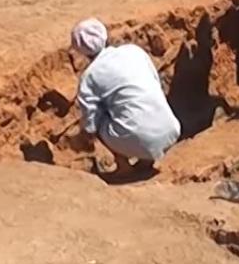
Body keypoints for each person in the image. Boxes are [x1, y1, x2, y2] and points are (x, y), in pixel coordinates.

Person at [70, 19, 182, 180]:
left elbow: (90, 123)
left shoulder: (90, 76)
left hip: (141, 137)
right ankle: (146, 161)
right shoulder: (133, 51)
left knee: (100, 118)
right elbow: (155, 81)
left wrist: (83, 137)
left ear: (80, 50)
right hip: (171, 130)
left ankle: (124, 167)